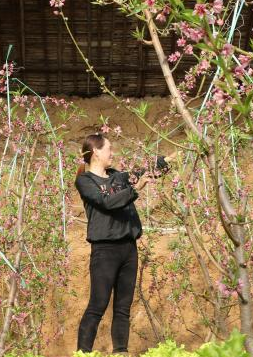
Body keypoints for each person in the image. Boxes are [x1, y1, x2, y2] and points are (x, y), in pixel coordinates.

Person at [75, 133, 166, 355]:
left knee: (123, 308)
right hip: (105, 250)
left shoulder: (116, 177)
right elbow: (106, 202)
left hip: (128, 249)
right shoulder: (85, 181)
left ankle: (121, 352)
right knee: (97, 306)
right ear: (96, 152)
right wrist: (135, 190)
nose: (112, 153)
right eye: (109, 149)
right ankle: (82, 353)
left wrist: (164, 161)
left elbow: (142, 172)